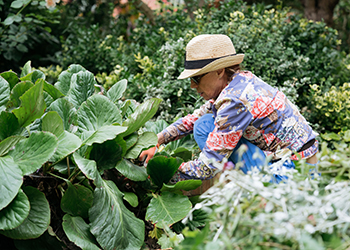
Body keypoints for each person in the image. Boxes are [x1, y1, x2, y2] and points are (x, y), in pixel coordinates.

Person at [139, 34, 319, 183]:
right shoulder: (239, 82)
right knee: (203, 123)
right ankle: (240, 178)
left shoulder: (235, 101)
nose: (193, 86)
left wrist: (159, 173)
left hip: (292, 172)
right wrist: (157, 140)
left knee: (208, 135)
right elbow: (193, 119)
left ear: (219, 71)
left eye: (197, 78)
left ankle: (257, 189)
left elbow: (206, 168)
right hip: (294, 158)